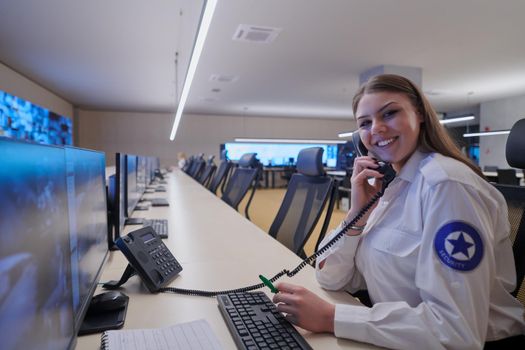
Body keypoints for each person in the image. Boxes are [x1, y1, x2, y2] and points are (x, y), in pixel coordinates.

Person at [272, 74, 525, 349]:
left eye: (389, 113)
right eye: (365, 123)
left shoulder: (447, 186)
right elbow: (331, 276)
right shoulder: (394, 189)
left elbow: (456, 330)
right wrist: (357, 214)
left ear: (419, 114)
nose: (376, 129)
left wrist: (332, 317)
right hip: (401, 336)